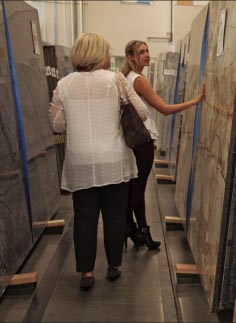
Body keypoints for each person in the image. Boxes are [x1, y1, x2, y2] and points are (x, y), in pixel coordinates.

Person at [48, 33, 149, 290]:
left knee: (84, 216)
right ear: (98, 54)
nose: (107, 56)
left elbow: (57, 125)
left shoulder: (64, 84)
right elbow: (143, 112)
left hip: (80, 162)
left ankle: (87, 272)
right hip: (114, 161)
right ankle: (114, 266)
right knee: (114, 215)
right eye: (106, 52)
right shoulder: (115, 80)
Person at [121, 40, 205, 250]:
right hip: (143, 141)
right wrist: (194, 102)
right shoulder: (139, 80)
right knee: (138, 188)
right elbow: (164, 109)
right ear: (131, 57)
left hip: (133, 141)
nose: (147, 55)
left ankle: (133, 229)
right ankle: (142, 231)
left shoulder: (127, 78)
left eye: (147, 50)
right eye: (141, 52)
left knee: (133, 187)